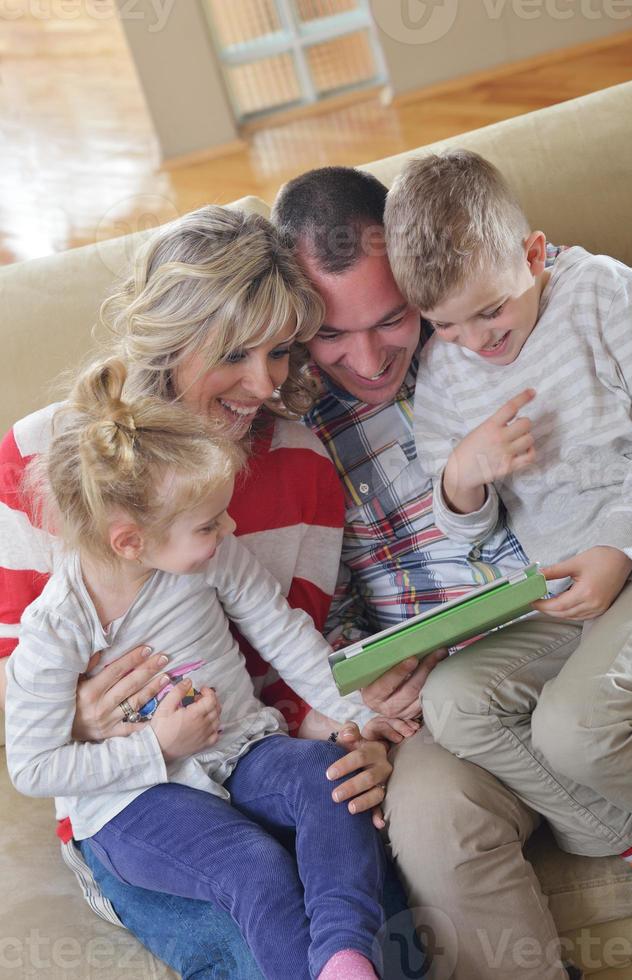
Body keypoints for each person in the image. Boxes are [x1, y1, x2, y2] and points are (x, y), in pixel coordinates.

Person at [0, 206, 394, 979]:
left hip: (249, 751)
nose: (265, 382)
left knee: (385, 925)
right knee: (253, 935)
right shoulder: (39, 461)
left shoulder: (302, 469)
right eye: (235, 352)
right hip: (131, 796)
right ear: (170, 337)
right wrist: (87, 720)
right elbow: (23, 713)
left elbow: (284, 656)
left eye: (280, 350)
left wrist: (356, 731)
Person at [271, 165, 632, 980]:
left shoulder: (506, 320)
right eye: (331, 335)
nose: (366, 359)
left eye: (394, 318)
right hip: (458, 696)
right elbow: (309, 618)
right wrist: (365, 687)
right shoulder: (299, 434)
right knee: (435, 822)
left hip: (590, 613)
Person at [384, 149, 632, 911]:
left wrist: (620, 543)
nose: (475, 341)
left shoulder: (601, 294)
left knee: (574, 729)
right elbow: (467, 535)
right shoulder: (441, 376)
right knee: (454, 700)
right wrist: (462, 479)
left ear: (534, 255)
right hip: (565, 594)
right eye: (445, 324)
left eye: (492, 310)